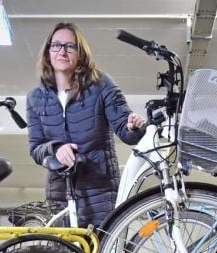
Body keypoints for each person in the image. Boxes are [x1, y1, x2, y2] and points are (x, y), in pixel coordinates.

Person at [26, 22, 147, 229]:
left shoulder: (101, 85)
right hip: (60, 194)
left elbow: (126, 130)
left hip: (101, 191)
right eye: (56, 45)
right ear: (48, 52)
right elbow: (36, 148)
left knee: (101, 248)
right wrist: (56, 148)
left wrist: (134, 126)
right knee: (62, 250)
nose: (62, 51)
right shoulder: (35, 98)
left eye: (70, 46)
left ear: (80, 53)